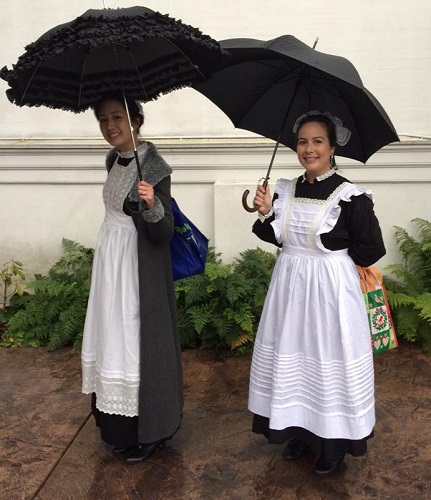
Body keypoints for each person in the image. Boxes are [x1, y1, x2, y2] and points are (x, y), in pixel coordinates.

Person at [248, 110, 386, 475]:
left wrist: (333, 263)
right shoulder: (286, 190)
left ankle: (332, 444)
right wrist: (265, 212)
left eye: (317, 141)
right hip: (289, 288)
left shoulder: (350, 196)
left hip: (330, 291)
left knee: (327, 358)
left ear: (332, 146)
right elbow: (274, 236)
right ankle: (299, 433)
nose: (309, 149)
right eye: (302, 141)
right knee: (292, 354)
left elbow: (371, 247)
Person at [81, 94, 183, 463]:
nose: (111, 126)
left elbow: (164, 232)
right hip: (112, 264)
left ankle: (150, 430)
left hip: (138, 270)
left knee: (136, 341)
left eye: (118, 117)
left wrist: (153, 205)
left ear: (136, 120)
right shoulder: (114, 158)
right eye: (103, 119)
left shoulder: (155, 169)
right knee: (112, 337)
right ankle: (116, 426)